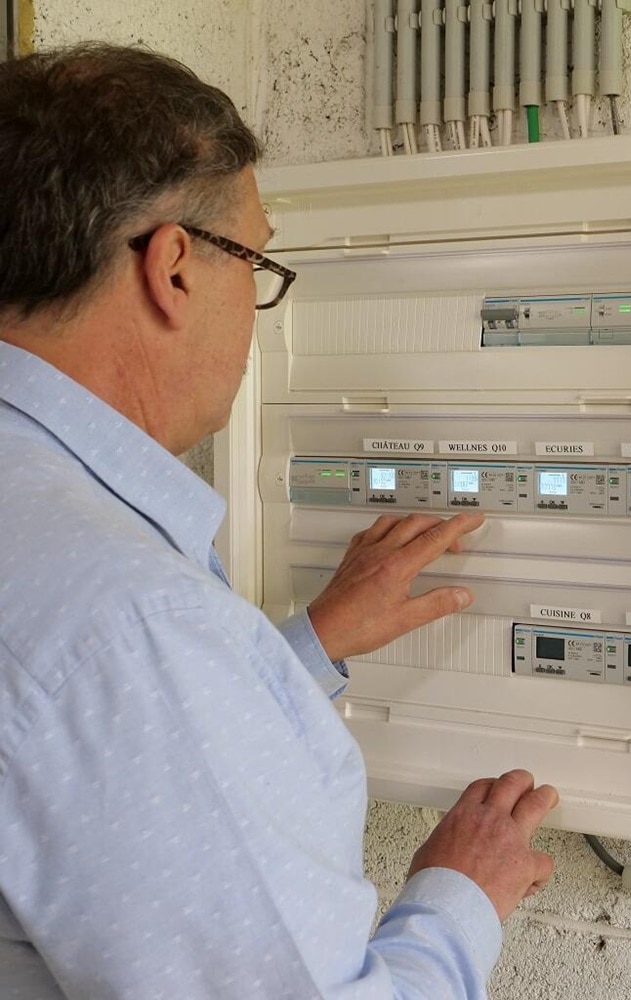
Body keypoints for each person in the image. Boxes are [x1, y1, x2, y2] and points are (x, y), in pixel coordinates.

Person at [0, 42, 558, 999]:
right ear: (172, 267)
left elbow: (81, 770)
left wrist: (297, 653)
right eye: (254, 262)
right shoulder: (132, 626)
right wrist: (461, 894)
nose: (255, 308)